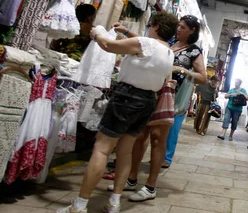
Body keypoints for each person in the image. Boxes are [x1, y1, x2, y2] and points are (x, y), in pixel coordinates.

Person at [57, 12, 179, 213]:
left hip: (126, 97)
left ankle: (79, 205)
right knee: (125, 151)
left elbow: (108, 46)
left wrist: (96, 33)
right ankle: (114, 202)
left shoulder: (145, 43)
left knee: (102, 149)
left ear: (155, 26)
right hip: (148, 101)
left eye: (150, 25)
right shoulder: (169, 53)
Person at [162, 15, 207, 169]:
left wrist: (182, 70)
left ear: (192, 31)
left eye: (183, 27)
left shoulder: (194, 51)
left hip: (177, 93)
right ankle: (158, 154)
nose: (178, 29)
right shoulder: (170, 43)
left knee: (172, 128)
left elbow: (202, 77)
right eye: (178, 26)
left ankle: (166, 157)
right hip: (159, 89)